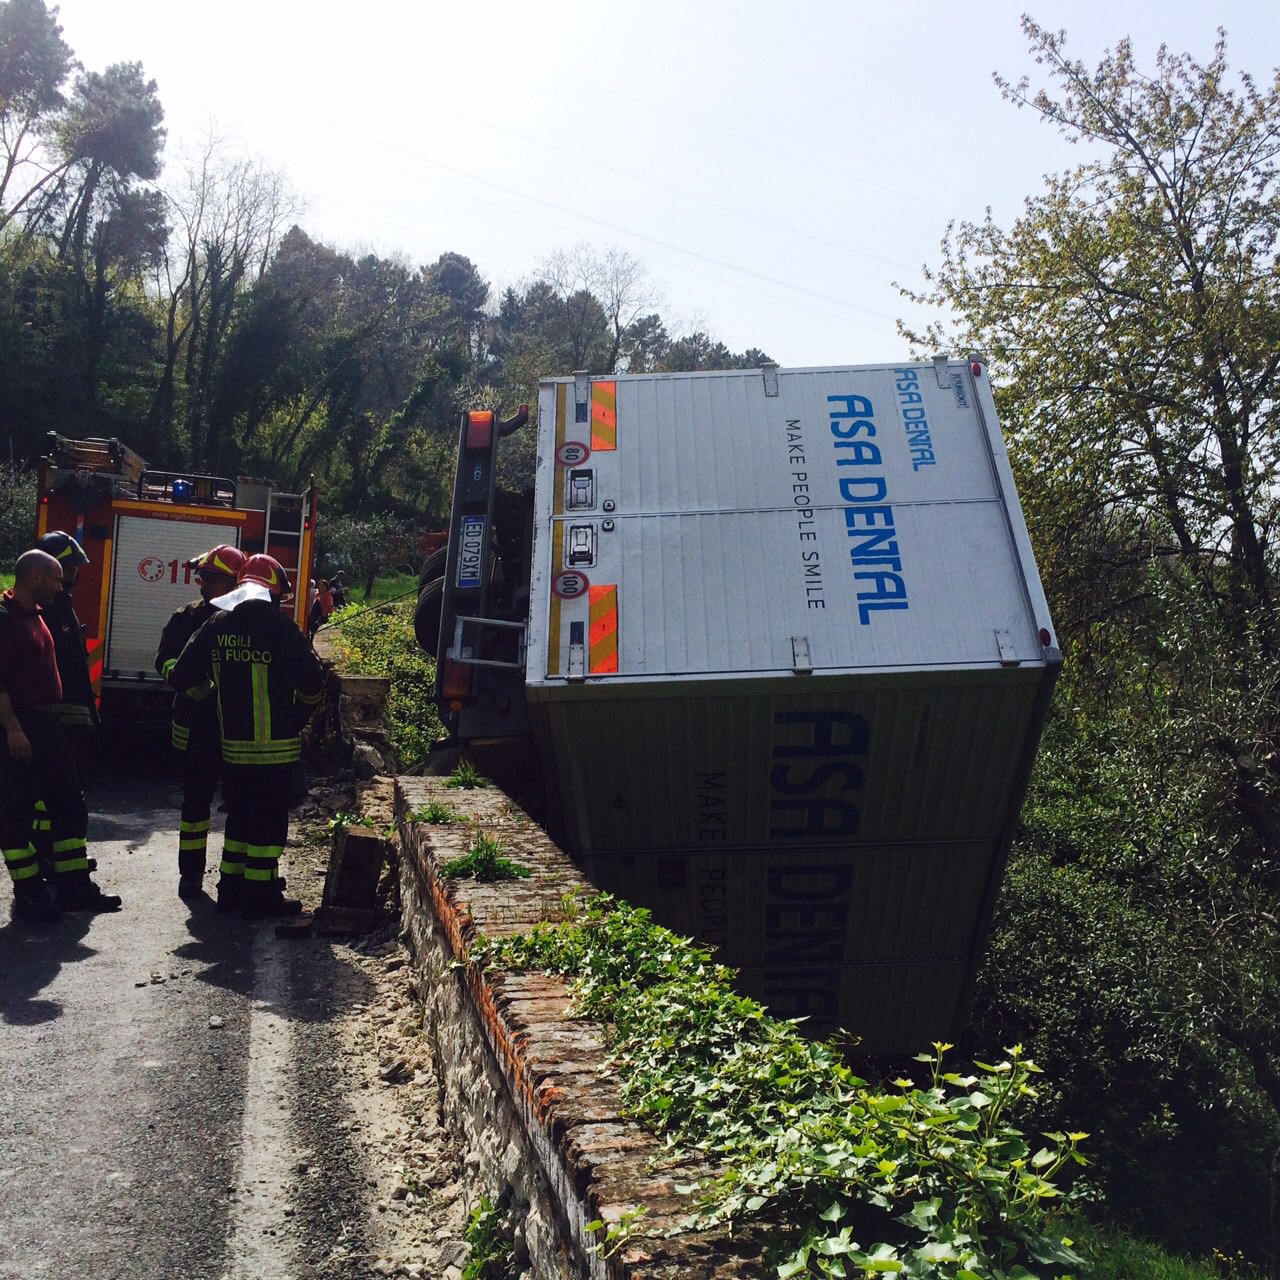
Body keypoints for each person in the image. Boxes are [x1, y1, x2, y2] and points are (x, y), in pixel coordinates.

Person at [171, 553, 324, 918]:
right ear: (273, 592)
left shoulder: (217, 624)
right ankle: (260, 896)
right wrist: (296, 717)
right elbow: (313, 682)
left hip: (232, 751)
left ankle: (230, 890)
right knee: (268, 826)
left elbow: (181, 675)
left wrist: (209, 694)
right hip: (275, 750)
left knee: (238, 820)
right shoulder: (281, 627)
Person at [0, 550, 121, 921]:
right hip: (20, 725)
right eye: (55, 579)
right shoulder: (5, 620)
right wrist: (13, 729)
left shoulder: (37, 615)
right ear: (34, 577)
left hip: (46, 724)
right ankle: (31, 894)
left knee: (69, 803)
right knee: (17, 811)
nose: (61, 585)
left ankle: (75, 887)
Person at [155, 544, 245, 900]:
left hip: (238, 730)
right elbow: (164, 661)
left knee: (240, 805)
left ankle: (232, 879)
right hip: (197, 726)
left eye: (210, 578)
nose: (201, 583)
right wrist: (192, 686)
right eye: (202, 576)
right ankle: (190, 875)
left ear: (234, 582)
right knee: (195, 805)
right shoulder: (186, 618)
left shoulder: (247, 620)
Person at [29, 531, 98, 873]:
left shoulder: (61, 606)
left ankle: (62, 859)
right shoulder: (46, 611)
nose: (73, 574)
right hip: (58, 721)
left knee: (67, 793)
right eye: (69, 567)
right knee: (56, 797)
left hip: (72, 719)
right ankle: (51, 858)